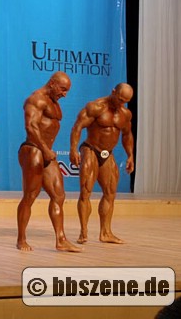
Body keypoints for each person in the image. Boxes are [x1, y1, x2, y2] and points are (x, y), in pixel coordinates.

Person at [16, 72, 80, 252]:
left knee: (59, 195)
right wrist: (44, 149)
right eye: (63, 89)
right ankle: (21, 239)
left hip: (46, 152)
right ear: (52, 83)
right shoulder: (36, 99)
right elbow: (31, 127)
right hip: (32, 150)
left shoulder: (54, 102)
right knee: (30, 196)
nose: (64, 94)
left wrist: (47, 151)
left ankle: (61, 240)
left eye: (67, 91)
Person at [70, 83, 135, 244]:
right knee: (86, 191)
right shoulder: (95, 107)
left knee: (110, 193)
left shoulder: (125, 114)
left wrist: (130, 155)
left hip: (107, 154)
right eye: (119, 99)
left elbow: (127, 135)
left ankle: (106, 233)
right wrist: (73, 149)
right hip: (91, 149)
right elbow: (78, 127)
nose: (121, 103)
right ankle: (83, 232)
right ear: (113, 92)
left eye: (125, 101)